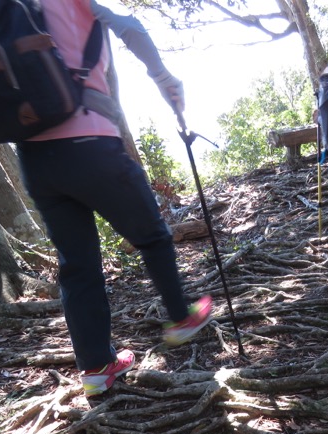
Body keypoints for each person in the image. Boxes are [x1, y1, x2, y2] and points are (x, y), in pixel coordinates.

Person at [16, 0, 212, 397]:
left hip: (35, 157)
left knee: (77, 266)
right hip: (89, 141)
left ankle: (96, 367)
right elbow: (132, 29)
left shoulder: (11, 8)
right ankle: (180, 319)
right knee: (152, 235)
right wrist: (164, 77)